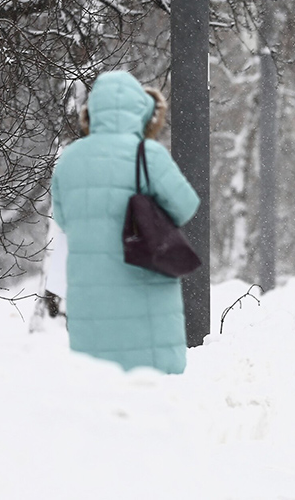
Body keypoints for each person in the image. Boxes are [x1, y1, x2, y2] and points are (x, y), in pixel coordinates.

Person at [50, 71, 200, 374]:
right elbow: (186, 207)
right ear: (141, 112)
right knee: (151, 396)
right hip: (147, 298)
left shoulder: (69, 159)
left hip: (91, 304)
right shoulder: (149, 156)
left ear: (92, 112)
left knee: (99, 395)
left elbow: (64, 220)